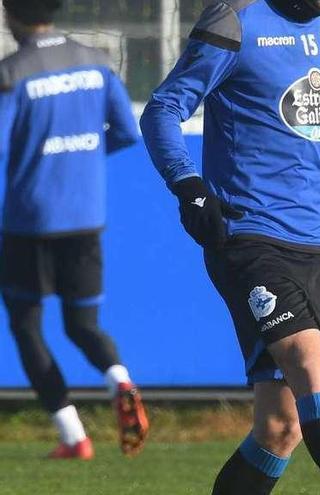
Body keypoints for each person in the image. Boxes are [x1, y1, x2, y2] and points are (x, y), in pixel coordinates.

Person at [140, 0, 320, 493]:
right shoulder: (235, 20)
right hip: (249, 236)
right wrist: (188, 185)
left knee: (280, 429)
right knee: (311, 367)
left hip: (313, 242)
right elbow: (164, 108)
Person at [0, 0, 148, 459]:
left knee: (27, 326)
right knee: (83, 325)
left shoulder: (13, 72)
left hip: (31, 222)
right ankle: (120, 380)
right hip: (86, 218)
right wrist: (78, 162)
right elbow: (125, 132)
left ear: (11, 15)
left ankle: (73, 436)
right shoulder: (96, 61)